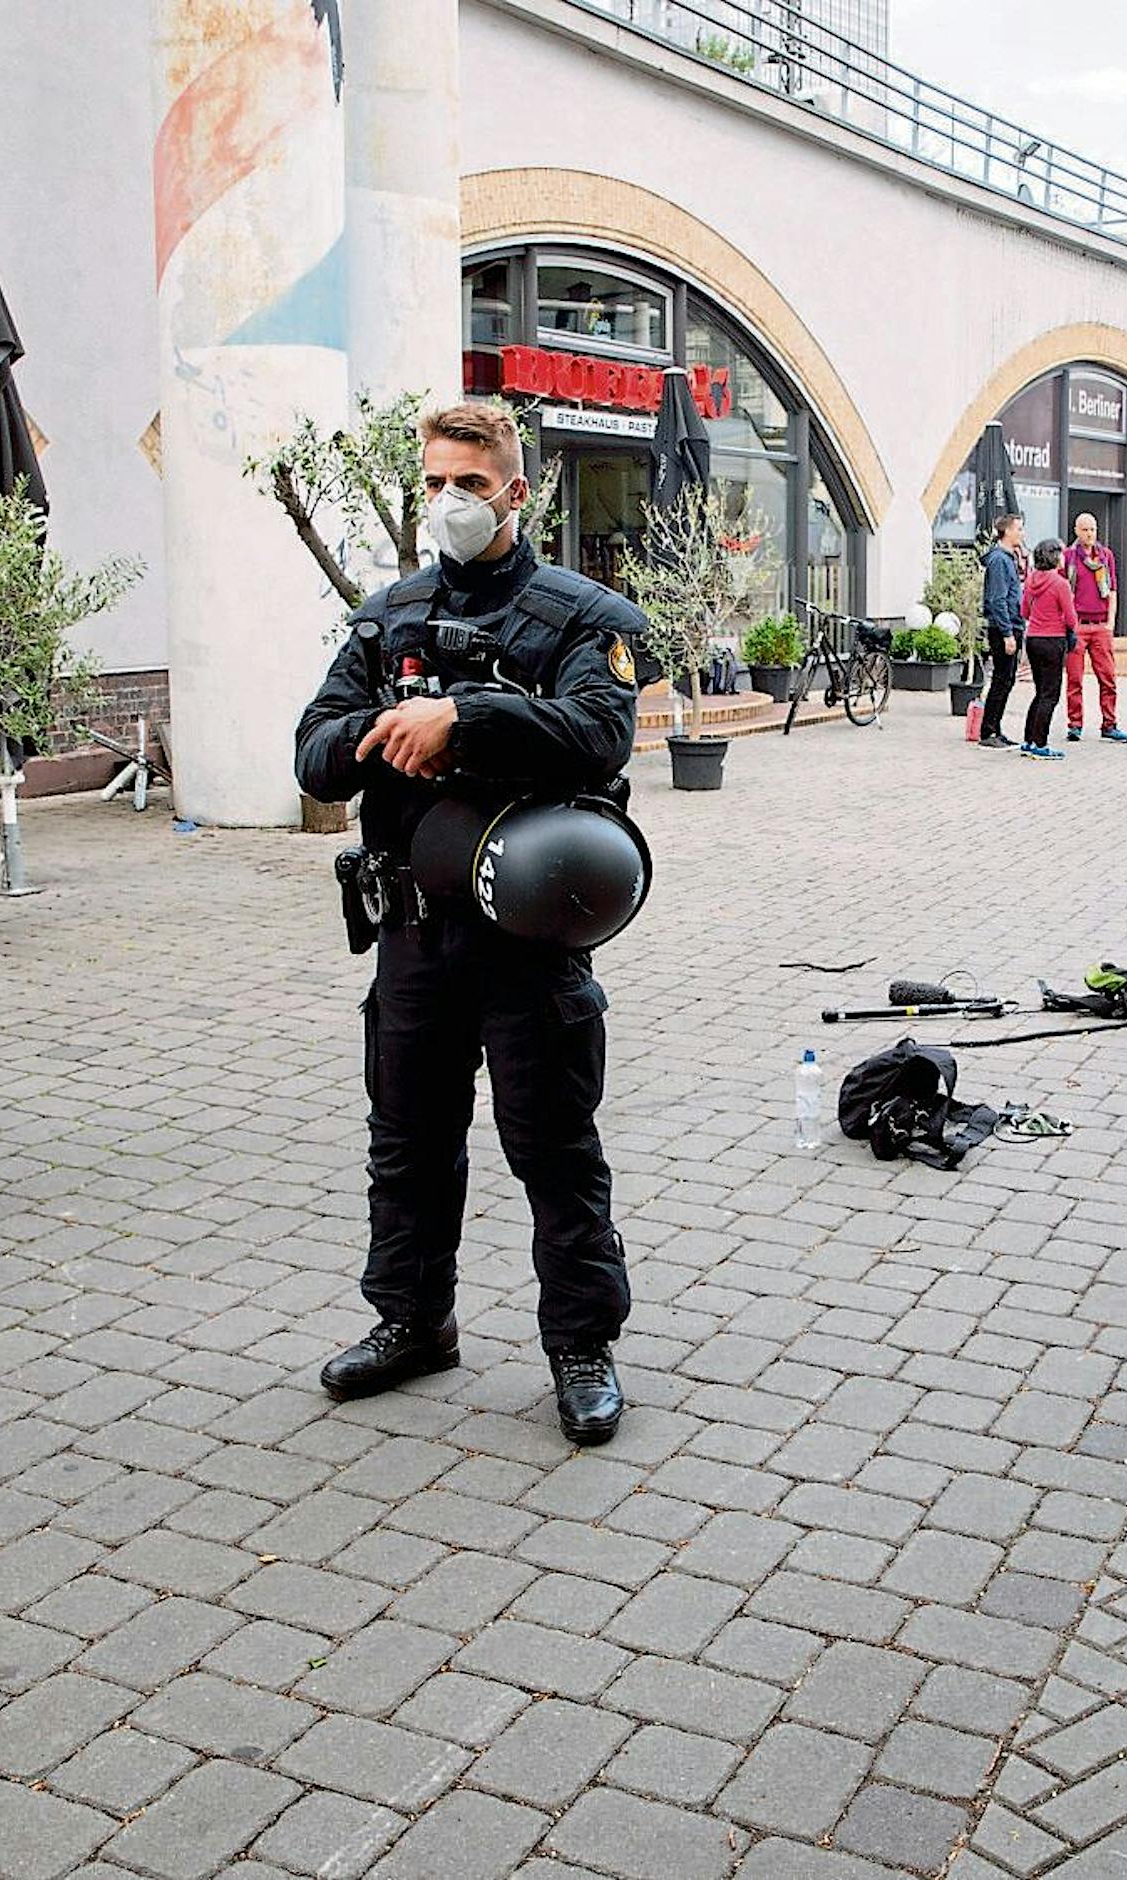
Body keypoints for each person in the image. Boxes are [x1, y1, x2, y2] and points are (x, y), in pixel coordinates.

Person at [296, 401, 642, 1446]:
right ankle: (411, 1320)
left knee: (551, 1147)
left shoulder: (586, 616)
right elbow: (313, 753)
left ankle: (580, 1346)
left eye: (469, 483)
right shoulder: (386, 616)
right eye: (434, 482)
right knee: (405, 1141)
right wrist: (384, 726)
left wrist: (469, 717)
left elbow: (597, 733)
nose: (448, 501)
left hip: (528, 940)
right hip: (410, 931)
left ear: (515, 492)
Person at [1061, 513, 1127, 743]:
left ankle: (1109, 724)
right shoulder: (1068, 557)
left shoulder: (1105, 555)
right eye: (1085, 530)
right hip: (1078, 625)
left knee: (1108, 677)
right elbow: (1063, 592)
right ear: (1076, 531)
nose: (1090, 534)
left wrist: (1110, 623)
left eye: (1093, 529)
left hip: (1100, 626)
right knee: (1074, 679)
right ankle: (1075, 724)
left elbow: (1112, 591)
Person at [1019, 538, 1076, 760]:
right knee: (1050, 695)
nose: (1063, 557)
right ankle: (1041, 744)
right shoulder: (1060, 583)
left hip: (1033, 639)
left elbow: (1024, 612)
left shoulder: (1031, 581)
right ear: (1054, 556)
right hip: (1053, 640)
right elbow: (1071, 619)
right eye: (1060, 553)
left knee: (1040, 691)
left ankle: (1028, 740)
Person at [978, 512, 1025, 749]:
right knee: (1001, 679)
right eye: (1019, 529)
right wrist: (1007, 633)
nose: (1022, 533)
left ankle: (996, 728)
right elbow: (998, 599)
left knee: (1006, 680)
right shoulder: (999, 561)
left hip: (1012, 625)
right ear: (1007, 531)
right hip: (1003, 628)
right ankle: (988, 731)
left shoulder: (1008, 558)